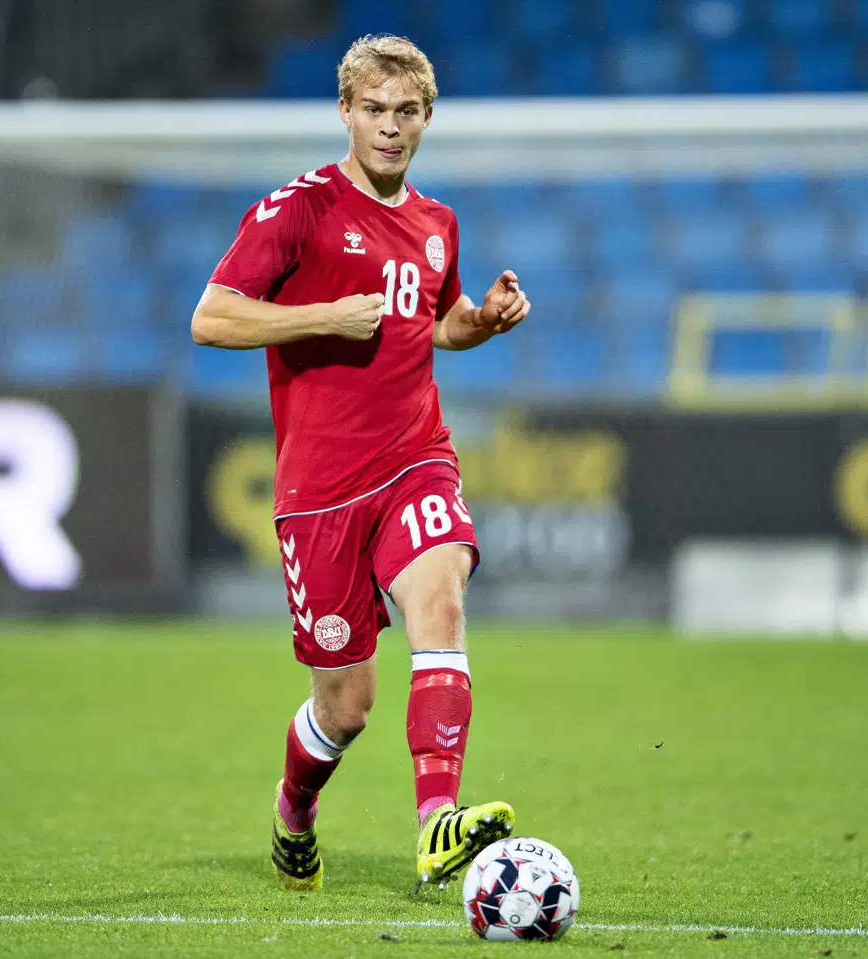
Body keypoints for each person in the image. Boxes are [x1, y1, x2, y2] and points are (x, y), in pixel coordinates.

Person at [191, 33, 530, 892]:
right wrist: (321, 318)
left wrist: (481, 321)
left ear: (427, 118)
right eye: (372, 110)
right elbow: (213, 316)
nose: (389, 127)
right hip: (321, 493)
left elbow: (437, 322)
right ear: (344, 111)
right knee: (347, 705)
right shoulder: (296, 211)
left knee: (442, 599)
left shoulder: (437, 224)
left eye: (405, 112)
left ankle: (435, 821)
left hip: (417, 456)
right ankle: (293, 809)